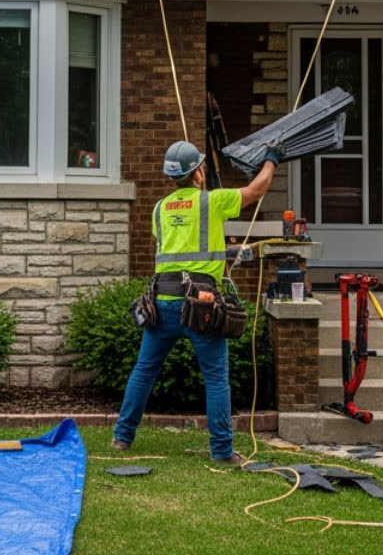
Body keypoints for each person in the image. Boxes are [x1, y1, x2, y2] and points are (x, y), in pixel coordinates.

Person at [111, 139, 279, 465]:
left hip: (161, 301)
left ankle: (122, 437)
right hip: (200, 303)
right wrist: (272, 159)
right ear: (199, 171)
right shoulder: (211, 202)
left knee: (144, 371)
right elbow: (256, 190)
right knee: (215, 377)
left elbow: (179, 245)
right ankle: (222, 451)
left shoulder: (159, 209)